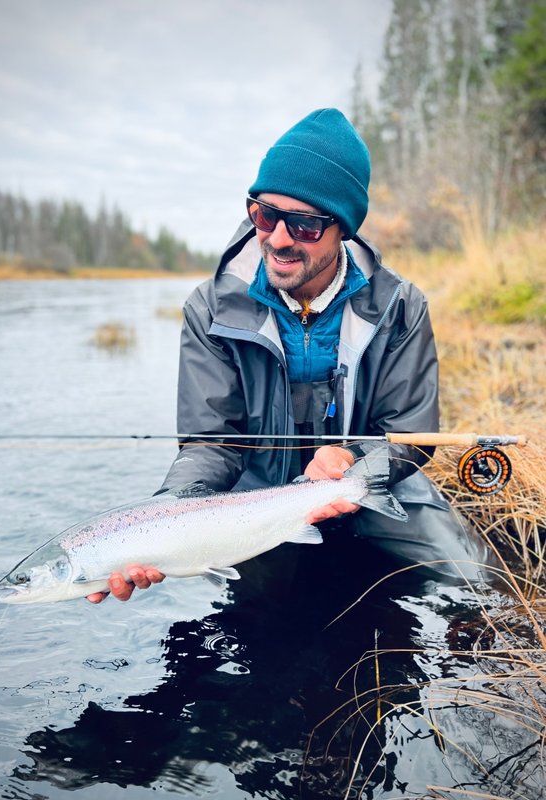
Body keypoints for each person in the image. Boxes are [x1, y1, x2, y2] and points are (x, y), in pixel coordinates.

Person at [87, 108, 490, 604]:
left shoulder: (399, 305)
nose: (277, 238)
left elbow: (409, 433)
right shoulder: (209, 308)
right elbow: (211, 443)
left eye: (303, 225)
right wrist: (170, 515)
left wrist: (353, 459)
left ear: (341, 227)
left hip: (372, 482)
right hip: (255, 504)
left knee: (471, 582)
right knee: (260, 616)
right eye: (264, 214)